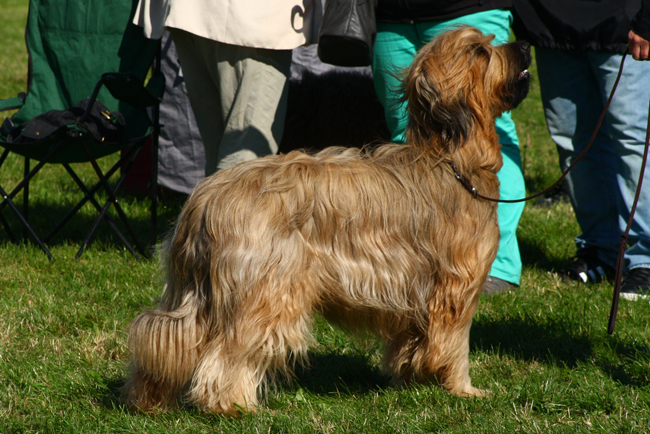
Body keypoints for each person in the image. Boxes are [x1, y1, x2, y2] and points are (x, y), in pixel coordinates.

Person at [372, 1, 526, 295]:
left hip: (466, 6)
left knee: (488, 132)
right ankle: (421, 260)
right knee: (406, 136)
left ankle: (497, 266)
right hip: (390, 15)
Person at [512, 0, 650, 300]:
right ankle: (603, 250)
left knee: (632, 141)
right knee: (572, 140)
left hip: (622, 23)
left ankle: (644, 258)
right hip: (550, 27)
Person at [132, 0, 317, 176]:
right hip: (250, 20)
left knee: (221, 153)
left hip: (189, 12)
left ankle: (210, 209)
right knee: (246, 160)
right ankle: (226, 209)